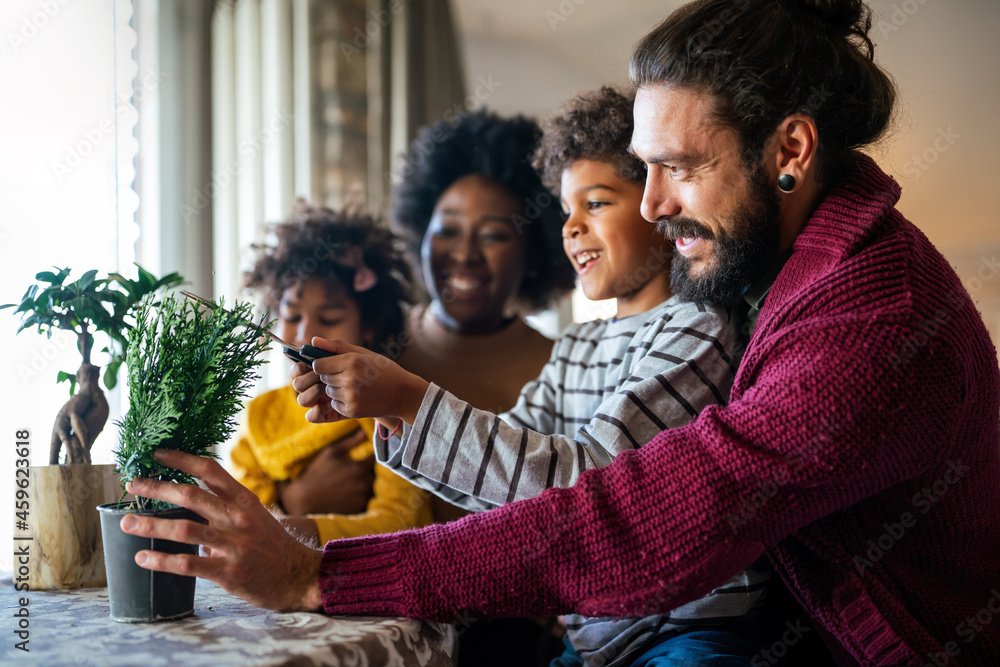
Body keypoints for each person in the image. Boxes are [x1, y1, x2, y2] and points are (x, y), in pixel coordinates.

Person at [120, 1, 1000, 664]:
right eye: (644, 173)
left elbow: (639, 525)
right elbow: (541, 482)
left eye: (679, 170)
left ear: (791, 151)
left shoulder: (868, 318)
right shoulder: (787, 274)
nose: (655, 206)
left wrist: (320, 577)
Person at [294, 85, 770, 666]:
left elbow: (593, 484)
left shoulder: (698, 327)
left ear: (655, 203)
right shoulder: (573, 348)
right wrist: (389, 410)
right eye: (566, 211)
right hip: (598, 644)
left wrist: (411, 399)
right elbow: (498, 479)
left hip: (693, 633)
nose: (571, 227)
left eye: (595, 204)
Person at [387, 108, 578, 665]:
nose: (464, 253)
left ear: (534, 251)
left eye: (494, 234)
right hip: (380, 609)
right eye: (447, 229)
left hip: (512, 631)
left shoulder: (558, 364)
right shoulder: (375, 346)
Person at [229, 202, 433, 544]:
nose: (306, 334)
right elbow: (239, 523)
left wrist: (291, 523)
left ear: (370, 325)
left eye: (329, 319)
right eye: (292, 316)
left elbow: (401, 522)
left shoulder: (391, 406)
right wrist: (295, 501)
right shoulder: (260, 417)